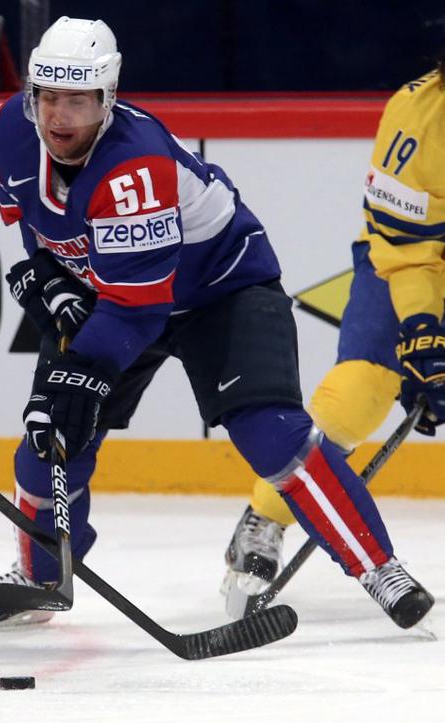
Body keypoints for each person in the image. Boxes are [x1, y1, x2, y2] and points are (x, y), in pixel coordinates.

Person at [0, 16, 434, 632]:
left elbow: (138, 307)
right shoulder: (6, 133)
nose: (57, 116)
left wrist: (82, 370)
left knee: (272, 433)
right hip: (116, 295)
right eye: (47, 97)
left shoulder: (136, 165)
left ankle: (379, 568)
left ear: (107, 98)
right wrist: (50, 275)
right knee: (49, 437)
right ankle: (42, 577)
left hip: (221, 291)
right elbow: (40, 226)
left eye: (77, 100)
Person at [221, 57, 445, 617]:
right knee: (360, 391)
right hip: (411, 266)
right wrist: (423, 330)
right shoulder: (417, 115)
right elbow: (406, 250)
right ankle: (266, 514)